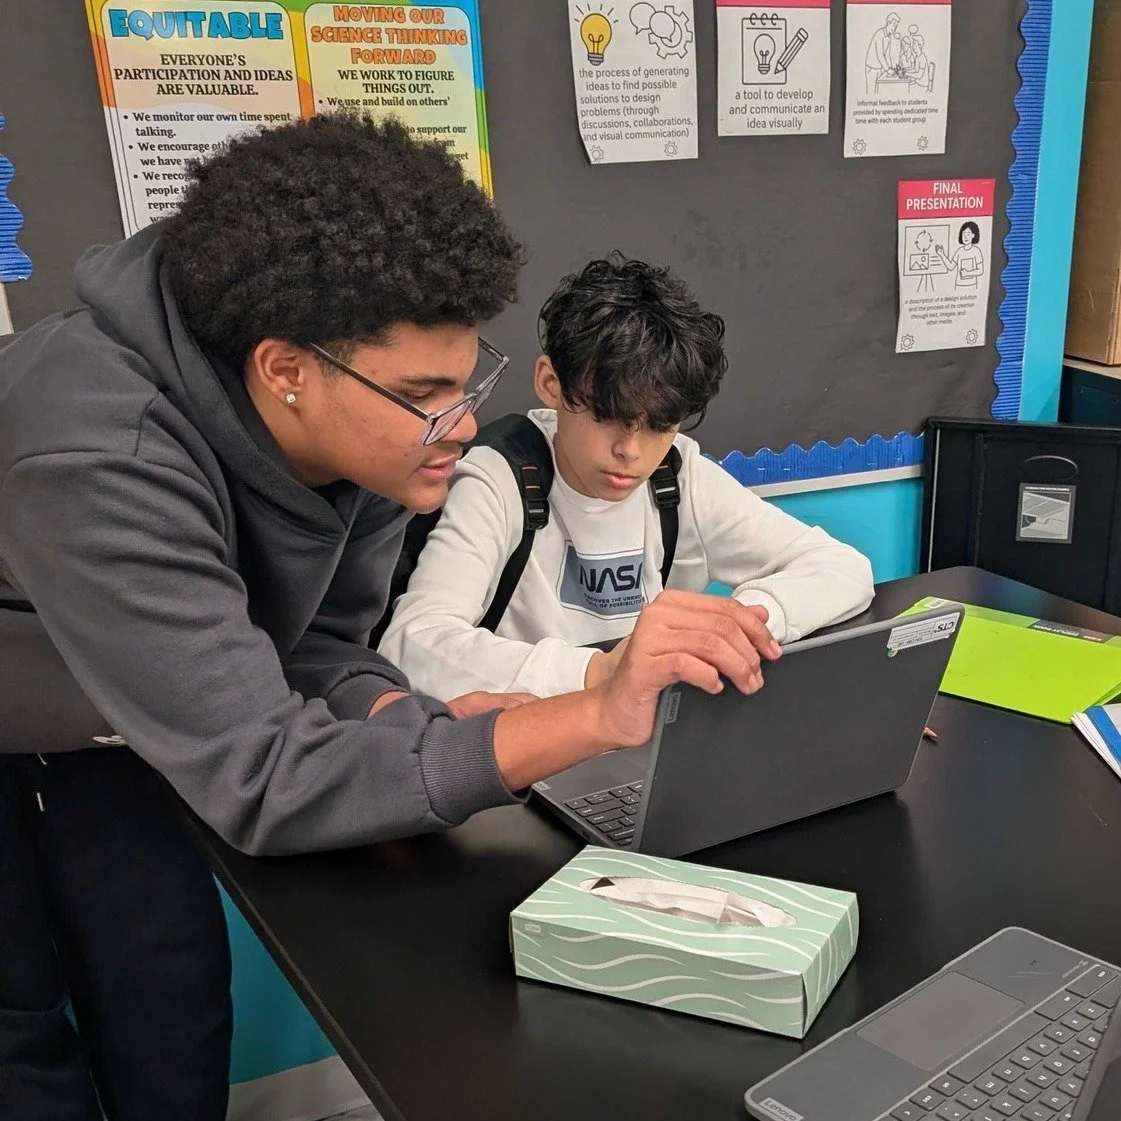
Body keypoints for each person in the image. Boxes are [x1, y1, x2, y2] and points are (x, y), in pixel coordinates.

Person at [0, 118, 778, 1121]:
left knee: (165, 1000)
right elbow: (267, 776)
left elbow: (320, 645)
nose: (458, 423)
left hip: (118, 720)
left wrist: (412, 722)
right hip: (30, 698)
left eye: (465, 381)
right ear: (287, 368)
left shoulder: (366, 430)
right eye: (424, 394)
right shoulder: (101, 453)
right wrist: (580, 716)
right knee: (21, 1030)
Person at [379, 256, 875, 700]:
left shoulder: (678, 476)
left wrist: (740, 623)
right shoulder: (499, 475)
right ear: (551, 383)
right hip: (531, 744)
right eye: (608, 415)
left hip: (646, 739)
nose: (631, 452)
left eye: (659, 424)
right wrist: (601, 672)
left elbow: (843, 568)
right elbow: (413, 642)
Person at [935, 221, 985, 289]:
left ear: (973, 235)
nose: (965, 237)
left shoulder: (976, 251)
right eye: (963, 234)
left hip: (972, 285)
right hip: (959, 285)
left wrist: (967, 273)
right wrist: (941, 254)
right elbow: (951, 266)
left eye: (968, 234)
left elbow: (980, 270)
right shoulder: (959, 251)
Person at [866, 11, 901, 93]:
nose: (895, 28)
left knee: (877, 91)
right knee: (871, 92)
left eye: (896, 25)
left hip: (880, 67)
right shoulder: (880, 34)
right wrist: (888, 70)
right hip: (872, 68)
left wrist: (890, 68)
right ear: (888, 22)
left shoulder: (889, 37)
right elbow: (880, 55)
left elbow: (887, 55)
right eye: (894, 24)